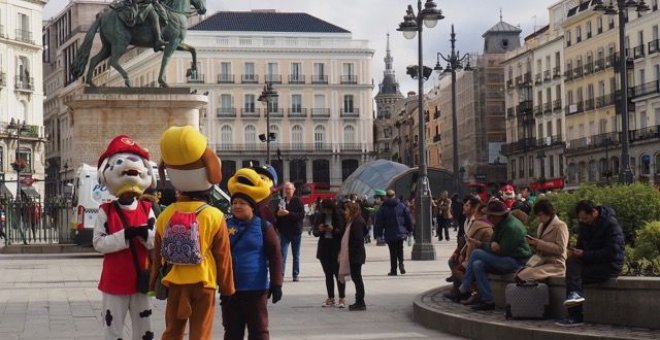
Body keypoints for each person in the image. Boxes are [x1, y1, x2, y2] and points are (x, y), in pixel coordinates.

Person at [151, 126, 235, 339]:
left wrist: (152, 282)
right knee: (200, 332)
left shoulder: (165, 214)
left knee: (172, 331)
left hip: (175, 282)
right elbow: (223, 257)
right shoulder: (213, 215)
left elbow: (157, 255)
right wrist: (227, 289)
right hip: (203, 282)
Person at [92, 135, 157, 340]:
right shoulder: (106, 211)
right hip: (114, 280)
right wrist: (124, 236)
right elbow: (98, 243)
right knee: (112, 329)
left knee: (144, 328)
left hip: (141, 279)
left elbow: (155, 240)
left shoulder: (147, 209)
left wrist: (144, 234)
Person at [223, 167, 283, 340]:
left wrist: (276, 283)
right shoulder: (224, 226)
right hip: (230, 290)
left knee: (259, 332)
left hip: (256, 289)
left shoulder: (264, 227)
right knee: (232, 332)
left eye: (242, 203)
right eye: (234, 203)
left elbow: (275, 256)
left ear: (252, 207)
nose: (237, 206)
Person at [556, 200, 624, 327]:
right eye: (581, 219)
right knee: (572, 262)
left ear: (594, 212)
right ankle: (574, 300)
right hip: (592, 262)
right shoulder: (585, 225)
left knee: (573, 276)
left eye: (586, 218)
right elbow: (581, 247)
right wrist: (575, 251)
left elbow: (612, 253)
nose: (584, 221)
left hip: (609, 265)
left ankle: (575, 315)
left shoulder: (611, 224)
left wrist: (584, 254)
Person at [457, 199, 532, 310]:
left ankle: (466, 283)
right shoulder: (499, 224)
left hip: (516, 261)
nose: (488, 218)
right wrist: (491, 244)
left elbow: (502, 251)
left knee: (477, 253)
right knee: (478, 265)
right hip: (504, 258)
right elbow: (493, 244)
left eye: (491, 216)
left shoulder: (511, 227)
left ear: (498, 216)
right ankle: (488, 301)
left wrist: (482, 245)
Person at [516, 200, 569, 282]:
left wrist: (537, 243)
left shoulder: (560, 226)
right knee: (519, 273)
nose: (539, 218)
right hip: (540, 261)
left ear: (548, 213)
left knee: (524, 276)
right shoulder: (541, 226)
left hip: (555, 264)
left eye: (540, 215)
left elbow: (560, 249)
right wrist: (532, 243)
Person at [313, 199, 346, 308]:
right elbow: (315, 232)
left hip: (336, 246)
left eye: (329, 210)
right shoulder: (320, 216)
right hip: (324, 246)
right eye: (325, 210)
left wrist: (333, 230)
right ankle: (331, 297)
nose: (327, 212)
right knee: (328, 274)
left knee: (338, 274)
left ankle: (341, 297)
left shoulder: (340, 215)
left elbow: (342, 232)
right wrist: (320, 230)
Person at [374, 189, 413, 276]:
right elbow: (408, 218)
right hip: (401, 232)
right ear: (395, 195)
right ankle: (401, 264)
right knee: (400, 249)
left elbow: (379, 222)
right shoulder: (402, 206)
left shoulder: (383, 207)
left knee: (392, 252)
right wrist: (410, 229)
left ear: (386, 196)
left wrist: (378, 234)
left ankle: (393, 270)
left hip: (389, 233)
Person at [338, 201, 367, 311]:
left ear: (352, 210)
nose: (345, 212)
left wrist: (350, 254)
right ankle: (359, 301)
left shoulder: (357, 222)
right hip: (354, 254)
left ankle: (360, 302)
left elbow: (358, 240)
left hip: (356, 255)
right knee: (356, 278)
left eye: (347, 210)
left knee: (357, 278)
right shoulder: (352, 221)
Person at [274, 181, 305, 282]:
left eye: (289, 189)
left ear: (293, 190)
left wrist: (288, 213)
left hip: (296, 231)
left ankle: (295, 274)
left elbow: (301, 215)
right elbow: (276, 214)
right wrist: (278, 215)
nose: (287, 191)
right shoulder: (282, 201)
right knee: (282, 254)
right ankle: (281, 274)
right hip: (284, 232)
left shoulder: (298, 201)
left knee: (296, 255)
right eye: (286, 189)